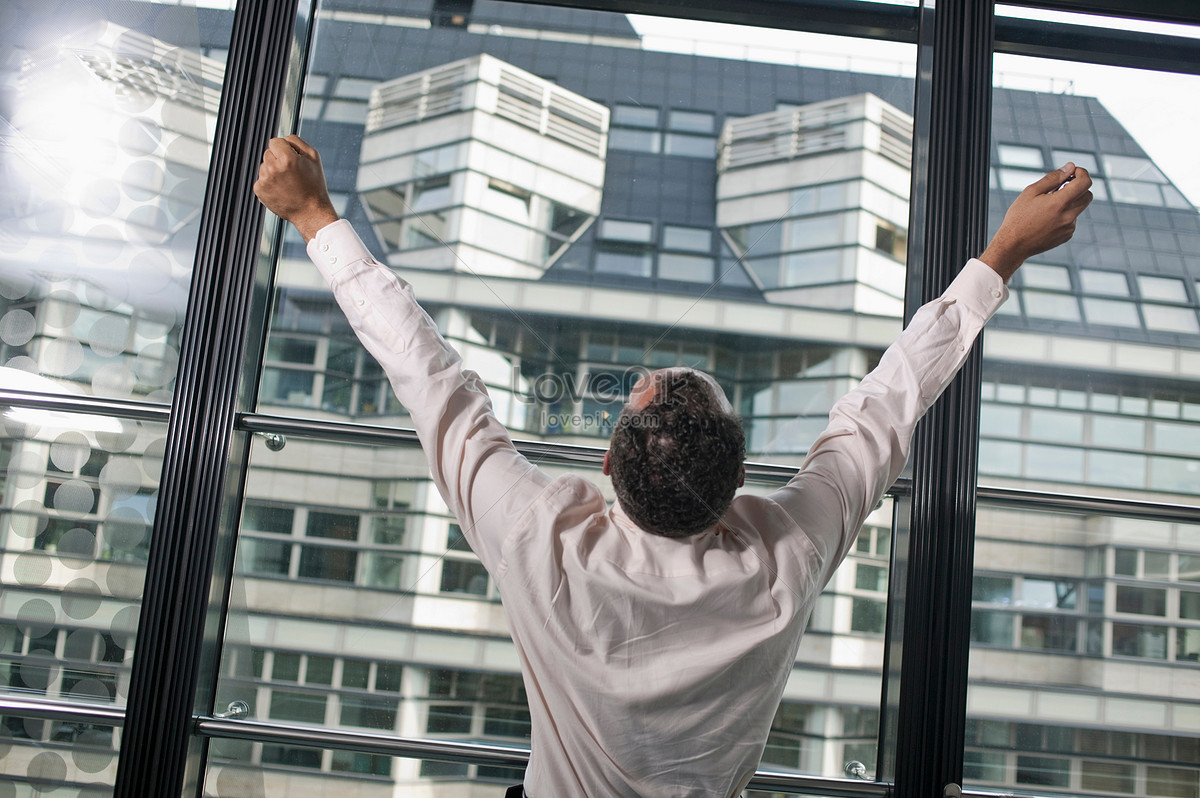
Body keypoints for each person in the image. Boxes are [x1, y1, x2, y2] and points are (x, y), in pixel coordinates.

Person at [253, 134, 1092, 798]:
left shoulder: (539, 537)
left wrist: (315, 218)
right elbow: (892, 397)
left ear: (609, 464)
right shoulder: (787, 552)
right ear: (740, 477)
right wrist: (1000, 256)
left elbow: (425, 373)